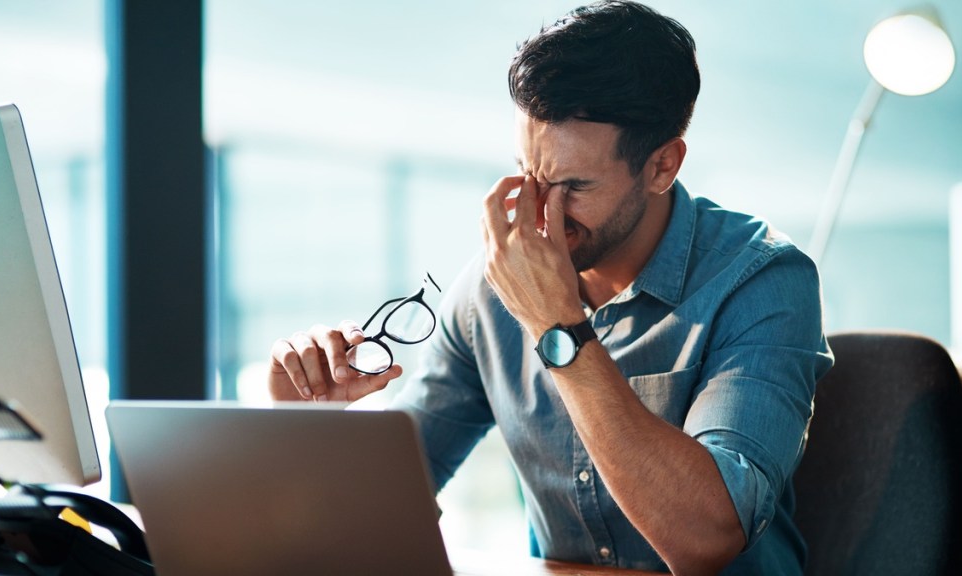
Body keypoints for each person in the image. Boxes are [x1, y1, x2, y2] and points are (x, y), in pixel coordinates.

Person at [267, 1, 833, 574]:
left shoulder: (763, 281)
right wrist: (309, 428)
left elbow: (706, 538)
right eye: (529, 174)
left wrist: (557, 325)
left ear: (663, 166)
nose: (541, 213)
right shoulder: (489, 294)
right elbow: (388, 509)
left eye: (575, 186)